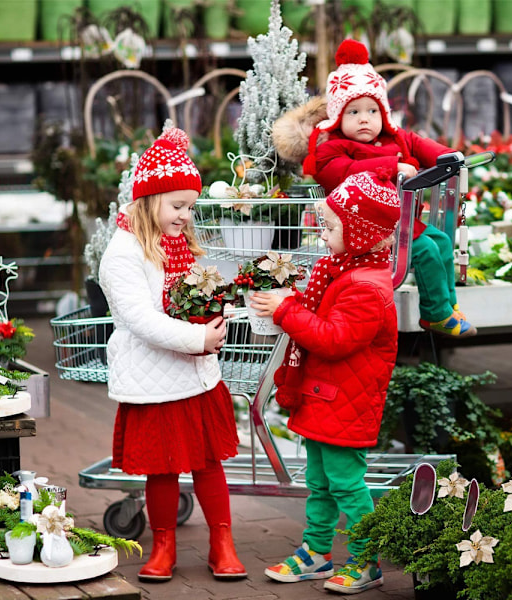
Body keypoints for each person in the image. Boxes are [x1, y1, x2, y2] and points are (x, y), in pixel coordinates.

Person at [99, 125, 246, 583]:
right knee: (160, 469)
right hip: (154, 375)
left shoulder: (176, 243)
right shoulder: (123, 254)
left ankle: (222, 543)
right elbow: (142, 320)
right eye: (178, 206)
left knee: (207, 462)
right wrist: (198, 339)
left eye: (190, 208)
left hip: (194, 373)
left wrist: (218, 305)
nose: (186, 216)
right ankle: (163, 545)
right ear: (149, 200)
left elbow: (191, 294)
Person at [251, 169, 400, 595]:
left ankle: (367, 560)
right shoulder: (340, 268)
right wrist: (291, 301)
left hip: (346, 403)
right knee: (318, 481)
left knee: (347, 485)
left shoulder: (367, 288)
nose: (323, 234)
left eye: (333, 227)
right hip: (325, 399)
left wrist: (285, 310)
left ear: (360, 233)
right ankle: (317, 551)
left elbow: (333, 339)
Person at [272, 38, 476, 338]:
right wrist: (392, 167)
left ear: (384, 114)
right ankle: (435, 313)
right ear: (338, 117)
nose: (364, 119)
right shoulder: (333, 148)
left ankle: (448, 307)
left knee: (443, 243)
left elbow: (420, 144)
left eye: (373, 111)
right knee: (426, 251)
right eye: (353, 112)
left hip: (399, 222)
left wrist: (451, 159)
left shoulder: (396, 138)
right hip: (366, 232)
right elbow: (342, 173)